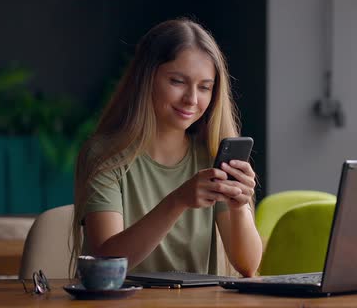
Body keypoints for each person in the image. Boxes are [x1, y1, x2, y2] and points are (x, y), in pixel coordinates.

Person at [70, 18, 262, 277]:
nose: (192, 99)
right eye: (177, 81)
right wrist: (177, 201)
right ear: (146, 79)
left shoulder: (211, 157)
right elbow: (106, 260)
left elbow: (248, 265)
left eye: (204, 87)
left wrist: (239, 207)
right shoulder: (105, 156)